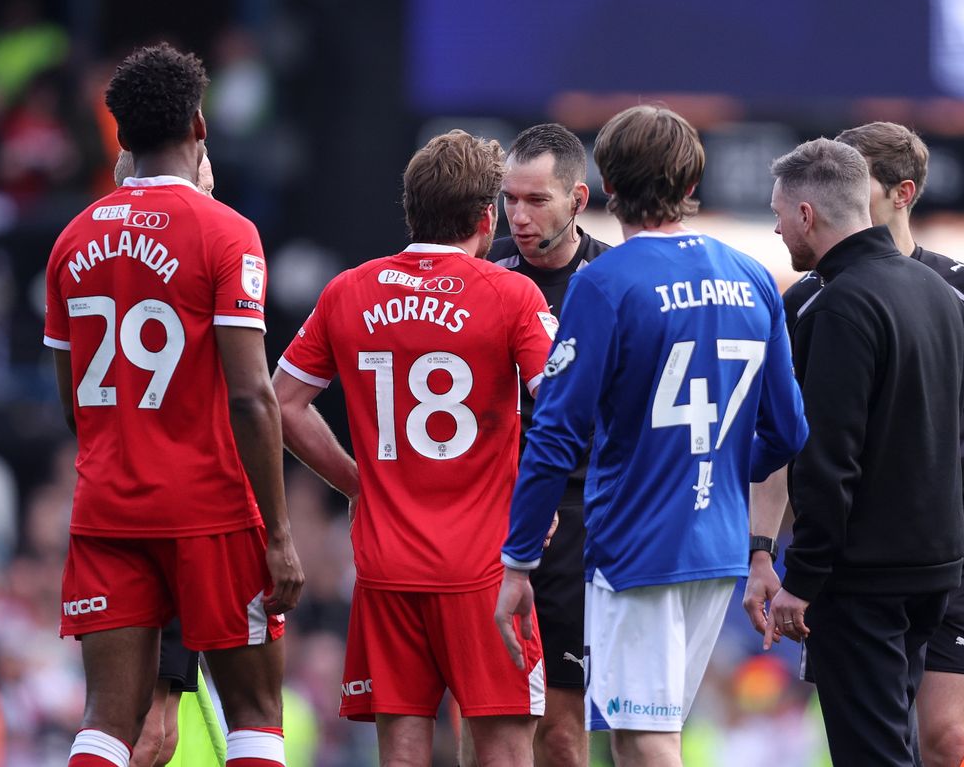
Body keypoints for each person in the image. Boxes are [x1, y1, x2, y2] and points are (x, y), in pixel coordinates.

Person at [495, 105, 808, 767]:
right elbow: (789, 428)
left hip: (638, 544)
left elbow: (553, 433)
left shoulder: (604, 282)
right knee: (643, 738)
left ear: (605, 183)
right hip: (716, 544)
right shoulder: (752, 276)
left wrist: (519, 557)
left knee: (645, 741)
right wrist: (717, 467)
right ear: (691, 185)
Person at [744, 122, 964, 766]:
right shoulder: (820, 300)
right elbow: (789, 444)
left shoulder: (943, 291)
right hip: (893, 554)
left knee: (922, 745)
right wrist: (763, 548)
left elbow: (829, 456)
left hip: (905, 555)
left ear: (898, 193)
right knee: (886, 739)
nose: (776, 230)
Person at [44, 43, 302, 767]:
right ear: (200, 125)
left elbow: (72, 405)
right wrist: (279, 532)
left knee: (105, 723)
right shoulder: (227, 233)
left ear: (119, 139)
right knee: (255, 714)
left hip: (108, 506)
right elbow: (253, 396)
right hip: (210, 508)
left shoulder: (70, 241)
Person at [273, 130, 556, 766]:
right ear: (487, 218)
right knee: (506, 753)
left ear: (412, 210)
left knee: (401, 755)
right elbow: (564, 410)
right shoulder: (511, 295)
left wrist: (356, 483)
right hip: (486, 569)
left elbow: (281, 402)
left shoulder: (348, 291)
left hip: (385, 567)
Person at [478, 122, 611, 767]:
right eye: (510, 200)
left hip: (578, 525)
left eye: (537, 201)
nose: (519, 217)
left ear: (578, 200)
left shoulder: (612, 280)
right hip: (484, 521)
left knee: (559, 733)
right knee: (487, 732)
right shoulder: (483, 271)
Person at [111, 149, 221, 767]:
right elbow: (251, 400)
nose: (208, 187)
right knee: (152, 731)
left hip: (112, 503)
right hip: (180, 514)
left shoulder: (95, 257)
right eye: (204, 175)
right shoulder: (207, 256)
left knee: (119, 721)